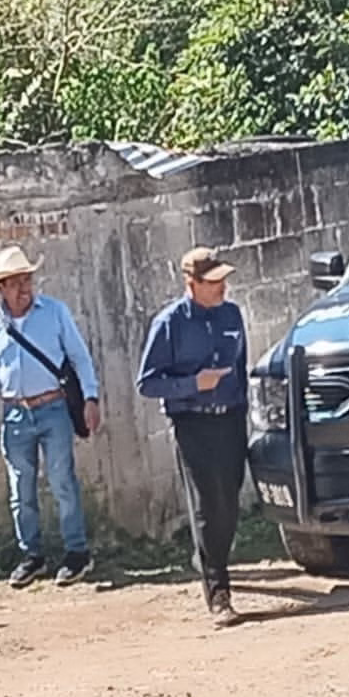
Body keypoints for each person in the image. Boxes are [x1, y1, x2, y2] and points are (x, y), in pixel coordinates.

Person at [0, 245, 102, 588]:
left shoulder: (55, 312)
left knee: (62, 481)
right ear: (1, 287)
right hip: (15, 414)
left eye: (27, 280)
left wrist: (90, 397)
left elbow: (80, 357)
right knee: (21, 490)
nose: (24, 288)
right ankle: (32, 555)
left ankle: (77, 552)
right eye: (16, 282)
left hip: (53, 408)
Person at [135, 247, 250, 627]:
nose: (222, 287)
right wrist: (193, 384)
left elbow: (241, 366)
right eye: (213, 282)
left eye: (223, 280)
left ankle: (209, 558)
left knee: (228, 502)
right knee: (207, 505)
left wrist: (243, 409)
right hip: (193, 423)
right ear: (192, 283)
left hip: (230, 419)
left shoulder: (232, 315)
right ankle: (218, 592)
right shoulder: (169, 323)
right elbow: (147, 383)